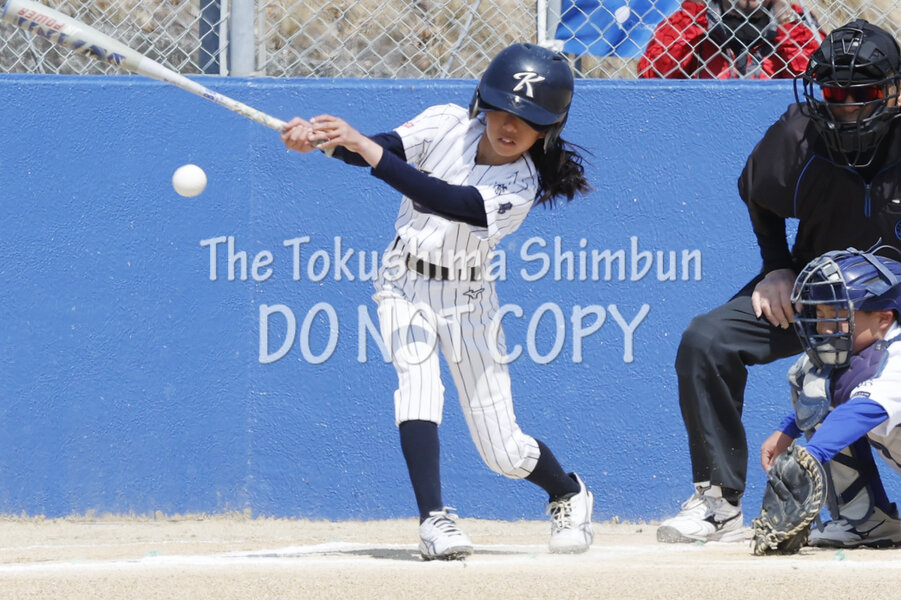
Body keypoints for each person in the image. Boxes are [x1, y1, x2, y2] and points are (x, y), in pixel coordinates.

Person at [280, 43, 594, 560]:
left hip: (469, 300)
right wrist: (322, 142)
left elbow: (447, 200)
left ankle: (567, 492)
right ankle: (434, 519)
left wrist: (363, 147)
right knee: (419, 386)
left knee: (502, 451)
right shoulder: (448, 122)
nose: (510, 126)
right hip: (402, 281)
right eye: (502, 109)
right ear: (482, 102)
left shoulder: (520, 184)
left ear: (548, 129)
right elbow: (381, 148)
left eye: (529, 119)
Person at [657, 19, 901, 545]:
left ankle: (865, 516)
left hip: (892, 308)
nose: (847, 106)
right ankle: (718, 503)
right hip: (818, 295)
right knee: (708, 339)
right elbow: (758, 196)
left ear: (894, 91)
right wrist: (777, 266)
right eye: (834, 93)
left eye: (863, 94)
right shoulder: (799, 132)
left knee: (839, 382)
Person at [760, 247, 901, 548]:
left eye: (837, 315)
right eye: (820, 314)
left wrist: (810, 457)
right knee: (811, 379)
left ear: (883, 318)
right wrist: (788, 430)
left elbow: (859, 411)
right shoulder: (859, 351)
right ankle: (868, 522)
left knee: (840, 416)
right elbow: (827, 398)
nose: (824, 328)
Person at [637, 0, 822, 79]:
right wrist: (694, 14)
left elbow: (819, 79)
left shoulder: (798, 22)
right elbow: (653, 74)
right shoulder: (691, 20)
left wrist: (788, 23)